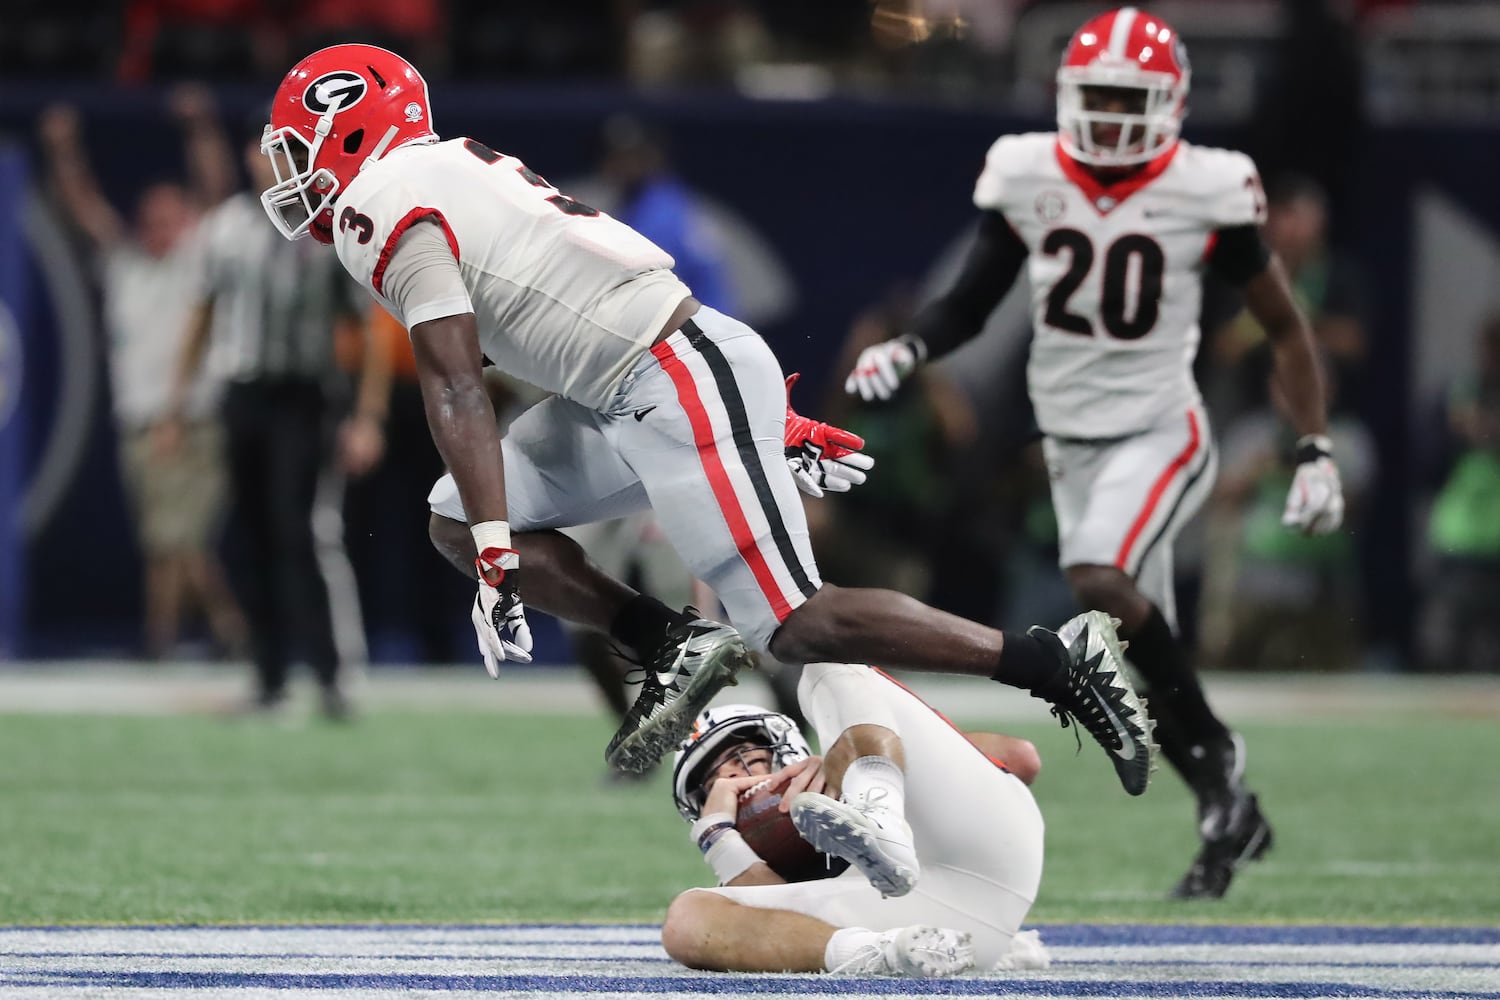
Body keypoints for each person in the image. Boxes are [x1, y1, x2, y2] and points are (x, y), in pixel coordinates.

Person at [255, 44, 1154, 803]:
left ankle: (1053, 663)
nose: (289, 170)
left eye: (300, 145)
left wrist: (500, 546)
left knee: (796, 624)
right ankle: (669, 641)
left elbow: (455, 388)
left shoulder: (382, 203)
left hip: (666, 376)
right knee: (451, 513)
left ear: (353, 128)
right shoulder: (439, 170)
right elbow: (561, 305)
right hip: (641, 382)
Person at [841, 7, 1344, 898]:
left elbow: (1285, 326)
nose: (1110, 117)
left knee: (1096, 577)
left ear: (1170, 104)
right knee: (1143, 646)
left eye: (1129, 99)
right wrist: (911, 347)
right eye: (1097, 97)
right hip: (1070, 438)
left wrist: (1311, 448)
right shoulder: (1029, 171)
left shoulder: (1208, 187)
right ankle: (1228, 802)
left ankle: (1220, 755)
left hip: (1161, 429)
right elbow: (972, 299)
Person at [163, 108, 392, 721]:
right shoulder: (224, 228)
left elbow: (366, 331)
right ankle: (268, 677)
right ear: (249, 158)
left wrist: (368, 415)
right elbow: (201, 318)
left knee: (300, 532)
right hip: (243, 394)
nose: (269, 164)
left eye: (280, 152)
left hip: (302, 396)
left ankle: (330, 675)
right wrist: (175, 404)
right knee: (253, 533)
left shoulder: (324, 230)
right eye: (263, 152)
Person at [659, 664, 1047, 977]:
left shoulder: (851, 762)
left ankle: (884, 820)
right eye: (714, 783)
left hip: (985, 865)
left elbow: (1019, 759)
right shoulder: (734, 854)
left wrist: (858, 762)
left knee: (823, 660)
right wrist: (719, 837)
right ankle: (878, 955)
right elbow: (773, 907)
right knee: (686, 919)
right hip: (923, 933)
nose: (734, 778)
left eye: (747, 755)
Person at [37, 94, 247, 662]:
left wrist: (202, 128)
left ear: (185, 222)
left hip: (196, 420)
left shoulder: (198, 258)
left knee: (179, 537)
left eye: (169, 219)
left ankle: (164, 638)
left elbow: (216, 189)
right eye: (149, 220)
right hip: (139, 423)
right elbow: (82, 206)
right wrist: (64, 151)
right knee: (166, 541)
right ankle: (222, 631)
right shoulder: (125, 265)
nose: (157, 229)